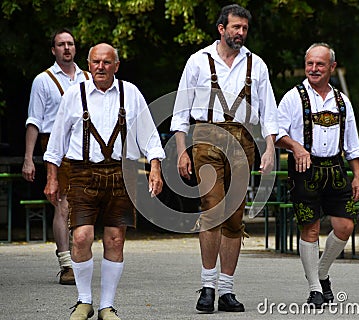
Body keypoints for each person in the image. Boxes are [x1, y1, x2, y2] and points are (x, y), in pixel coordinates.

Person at [43, 43, 165, 320]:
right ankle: (84, 301)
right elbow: (57, 141)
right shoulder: (75, 95)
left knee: (115, 239)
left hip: (121, 174)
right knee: (81, 237)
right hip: (82, 173)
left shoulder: (130, 93)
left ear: (116, 66)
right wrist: (52, 178)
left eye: (106, 62)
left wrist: (155, 168)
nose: (100, 67)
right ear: (89, 65)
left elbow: (149, 136)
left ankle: (106, 306)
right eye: (96, 62)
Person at [170, 4, 278, 313]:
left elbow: (268, 112)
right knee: (212, 208)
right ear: (221, 28)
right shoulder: (198, 62)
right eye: (235, 28)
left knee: (234, 218)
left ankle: (227, 290)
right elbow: (180, 112)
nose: (241, 33)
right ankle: (207, 287)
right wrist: (182, 152)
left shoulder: (256, 65)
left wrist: (269, 148)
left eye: (244, 28)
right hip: (206, 139)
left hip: (243, 142)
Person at [275, 43, 359, 308]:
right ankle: (315, 288)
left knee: (345, 225)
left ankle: (322, 272)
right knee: (310, 228)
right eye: (310, 64)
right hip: (304, 170)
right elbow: (277, 133)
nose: (314, 69)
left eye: (320, 64)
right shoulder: (293, 97)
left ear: (332, 67)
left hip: (336, 169)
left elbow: (352, 142)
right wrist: (296, 146)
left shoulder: (341, 101)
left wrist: (357, 175)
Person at [22, 28, 90, 285]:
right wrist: (29, 158)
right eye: (61, 44)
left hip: (85, 144)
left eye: (70, 44)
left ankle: (81, 258)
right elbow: (34, 120)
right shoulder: (43, 80)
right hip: (54, 143)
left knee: (83, 203)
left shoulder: (88, 77)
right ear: (54, 50)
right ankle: (66, 264)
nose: (66, 48)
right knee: (62, 203)